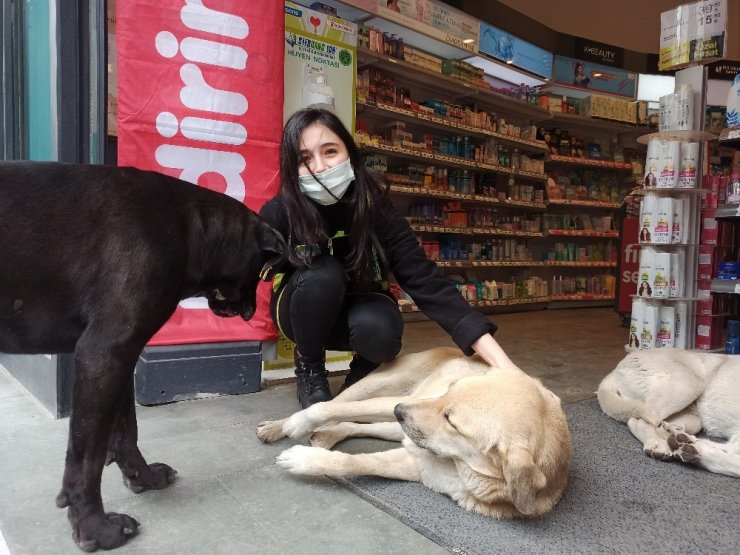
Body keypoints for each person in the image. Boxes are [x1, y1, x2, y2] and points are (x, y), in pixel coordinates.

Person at [260, 107, 516, 408]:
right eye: (304, 159)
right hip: (301, 311)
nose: (320, 167)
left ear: (350, 154)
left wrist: (505, 367)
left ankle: (364, 370)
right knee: (323, 272)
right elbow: (244, 262)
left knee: (380, 330)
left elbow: (423, 278)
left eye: (330, 151)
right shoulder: (281, 210)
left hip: (361, 308)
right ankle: (310, 369)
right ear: (292, 168)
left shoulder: (373, 205)